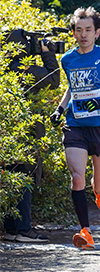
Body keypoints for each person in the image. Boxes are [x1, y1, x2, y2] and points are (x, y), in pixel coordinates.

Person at [50, 7, 100, 249]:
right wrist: (60, 110)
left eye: (88, 30)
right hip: (76, 124)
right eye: (79, 30)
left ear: (97, 32)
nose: (83, 34)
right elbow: (71, 88)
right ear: (73, 33)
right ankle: (85, 231)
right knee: (76, 177)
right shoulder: (68, 59)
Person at [2, 30, 60, 243]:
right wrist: (47, 53)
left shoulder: (4, 67)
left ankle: (11, 229)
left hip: (8, 132)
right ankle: (23, 229)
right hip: (25, 132)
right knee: (25, 174)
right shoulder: (23, 69)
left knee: (11, 174)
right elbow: (54, 78)